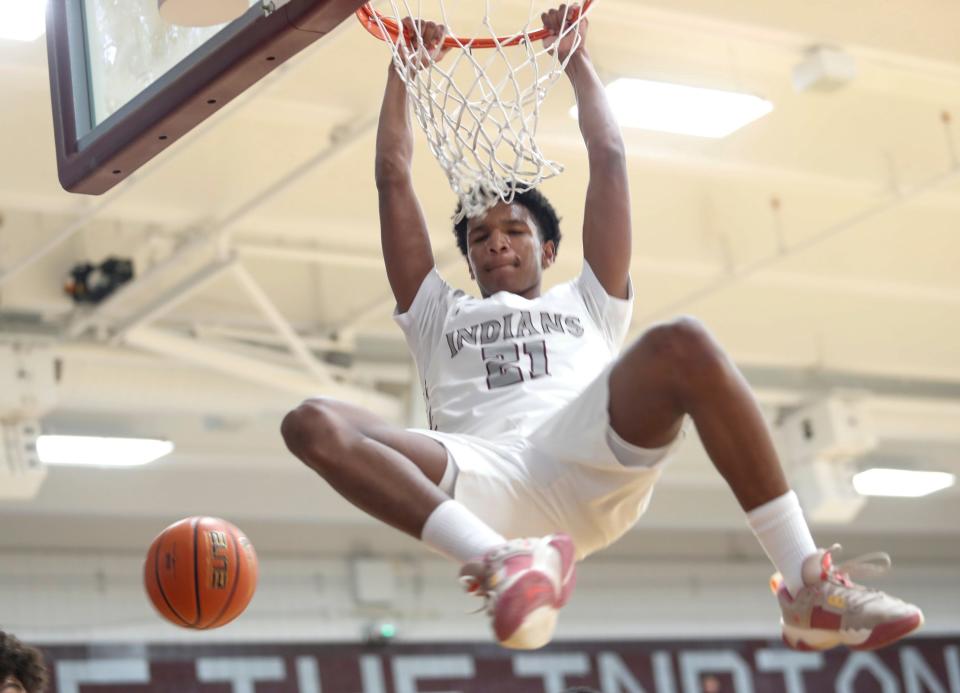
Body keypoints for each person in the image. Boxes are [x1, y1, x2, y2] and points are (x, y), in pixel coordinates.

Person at [281, 4, 922, 650]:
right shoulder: (436, 312)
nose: (497, 243)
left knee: (684, 340)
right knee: (310, 422)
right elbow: (392, 178)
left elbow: (610, 157)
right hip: (481, 474)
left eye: (514, 231)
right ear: (469, 256)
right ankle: (497, 561)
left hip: (587, 452)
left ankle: (807, 585)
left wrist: (575, 60)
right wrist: (404, 74)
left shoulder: (588, 301)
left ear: (548, 249)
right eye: (480, 236)